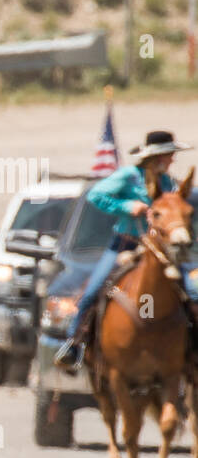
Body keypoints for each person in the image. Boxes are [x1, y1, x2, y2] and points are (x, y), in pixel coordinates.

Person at [54, 130, 195, 371]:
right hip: (126, 243)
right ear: (158, 157)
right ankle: (74, 343)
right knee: (93, 290)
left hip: (159, 249)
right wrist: (127, 206)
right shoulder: (129, 176)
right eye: (170, 155)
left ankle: (189, 345)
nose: (172, 160)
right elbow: (96, 195)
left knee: (189, 291)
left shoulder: (169, 183)